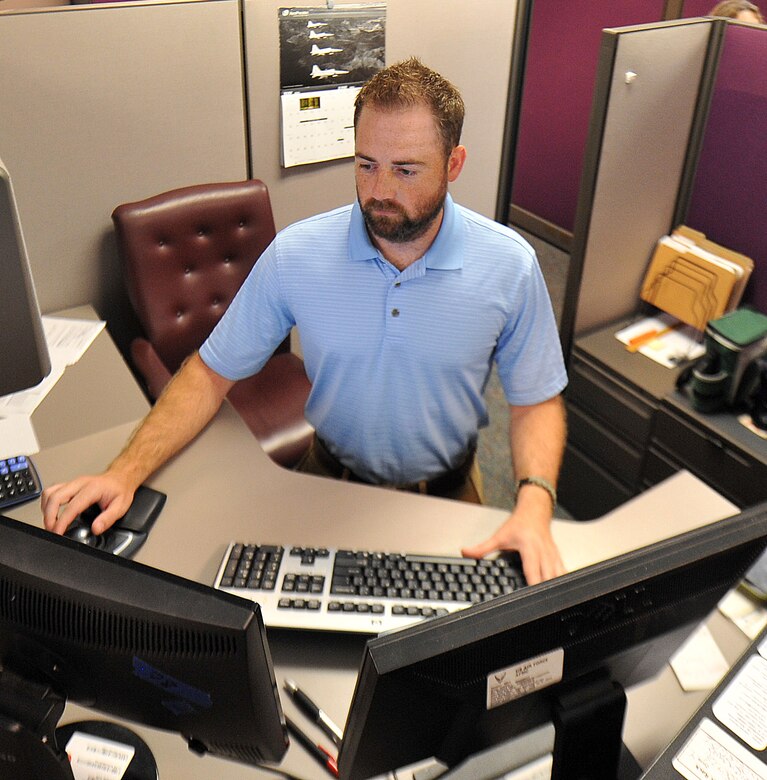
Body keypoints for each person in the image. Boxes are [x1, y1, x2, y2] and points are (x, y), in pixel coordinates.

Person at [41, 58, 568, 586]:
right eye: (366, 164)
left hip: (452, 495)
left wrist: (535, 504)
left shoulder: (509, 265)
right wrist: (123, 473)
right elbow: (208, 373)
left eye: (405, 170)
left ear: (454, 164)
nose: (379, 190)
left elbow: (536, 398)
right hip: (325, 482)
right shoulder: (298, 255)